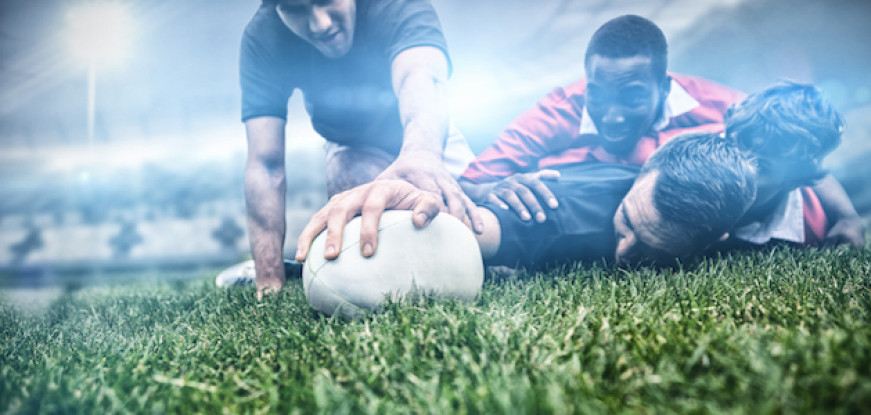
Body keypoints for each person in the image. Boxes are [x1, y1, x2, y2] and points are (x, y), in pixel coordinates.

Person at [236, 0, 482, 298]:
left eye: (326, 0)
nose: (320, 24)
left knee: (488, 246)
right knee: (369, 231)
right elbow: (266, 164)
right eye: (295, 10)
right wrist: (269, 278)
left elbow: (419, 76)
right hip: (350, 146)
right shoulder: (263, 36)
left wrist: (422, 155)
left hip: (426, 134)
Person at [296, 132, 758, 269]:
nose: (622, 252)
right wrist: (407, 199)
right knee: (351, 166)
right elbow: (461, 231)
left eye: (651, 252)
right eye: (626, 224)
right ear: (645, 169)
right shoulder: (557, 213)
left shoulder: (753, 217)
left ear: (711, 239)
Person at [459, 15, 745, 224]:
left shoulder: (723, 106)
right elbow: (467, 184)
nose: (613, 117)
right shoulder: (556, 112)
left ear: (665, 89)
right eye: (598, 95)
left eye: (632, 97)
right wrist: (491, 188)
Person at [721, 82, 865, 248]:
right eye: (731, 146)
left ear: (793, 182)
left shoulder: (812, 237)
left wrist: (848, 218)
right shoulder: (697, 137)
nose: (733, 169)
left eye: (760, 167)